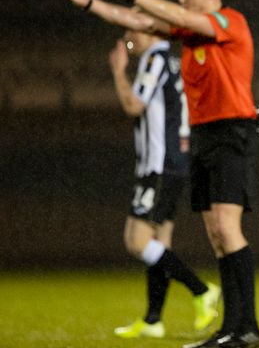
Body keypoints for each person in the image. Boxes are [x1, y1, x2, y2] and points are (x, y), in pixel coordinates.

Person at [53, 0, 259, 348]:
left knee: (229, 229)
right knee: (216, 233)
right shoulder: (188, 31)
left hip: (233, 131)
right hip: (202, 135)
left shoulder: (228, 21)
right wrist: (90, 4)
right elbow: (139, 22)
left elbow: (173, 18)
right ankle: (230, 329)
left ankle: (248, 326)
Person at [106, 28, 220, 339]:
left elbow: (133, 106)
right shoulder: (173, 61)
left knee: (137, 241)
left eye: (135, 28)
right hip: (173, 163)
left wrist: (118, 72)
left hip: (158, 165)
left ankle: (201, 290)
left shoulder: (154, 59)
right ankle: (153, 320)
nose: (130, 34)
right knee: (160, 243)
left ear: (152, 31)